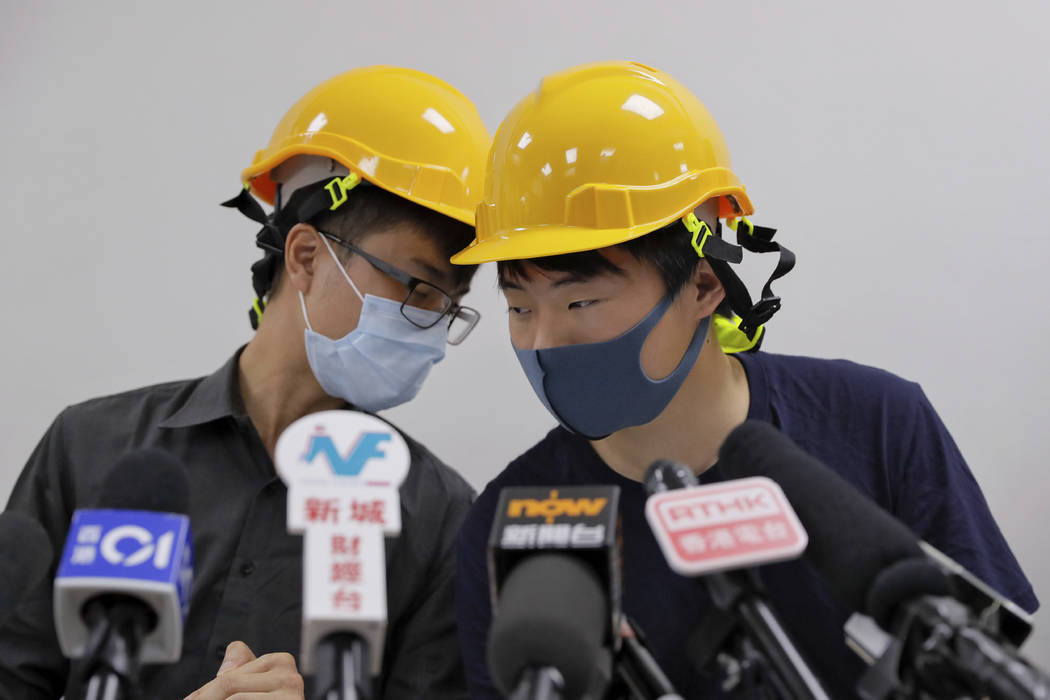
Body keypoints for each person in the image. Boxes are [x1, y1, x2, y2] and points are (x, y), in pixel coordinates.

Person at [451, 61, 1038, 698]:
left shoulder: (880, 424)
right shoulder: (514, 521)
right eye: (519, 308)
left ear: (704, 284)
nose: (542, 342)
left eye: (580, 303)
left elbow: (986, 662)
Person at [1, 65, 490, 699]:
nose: (429, 325)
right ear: (307, 257)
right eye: (418, 288)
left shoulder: (440, 516)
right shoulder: (90, 449)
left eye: (449, 306)